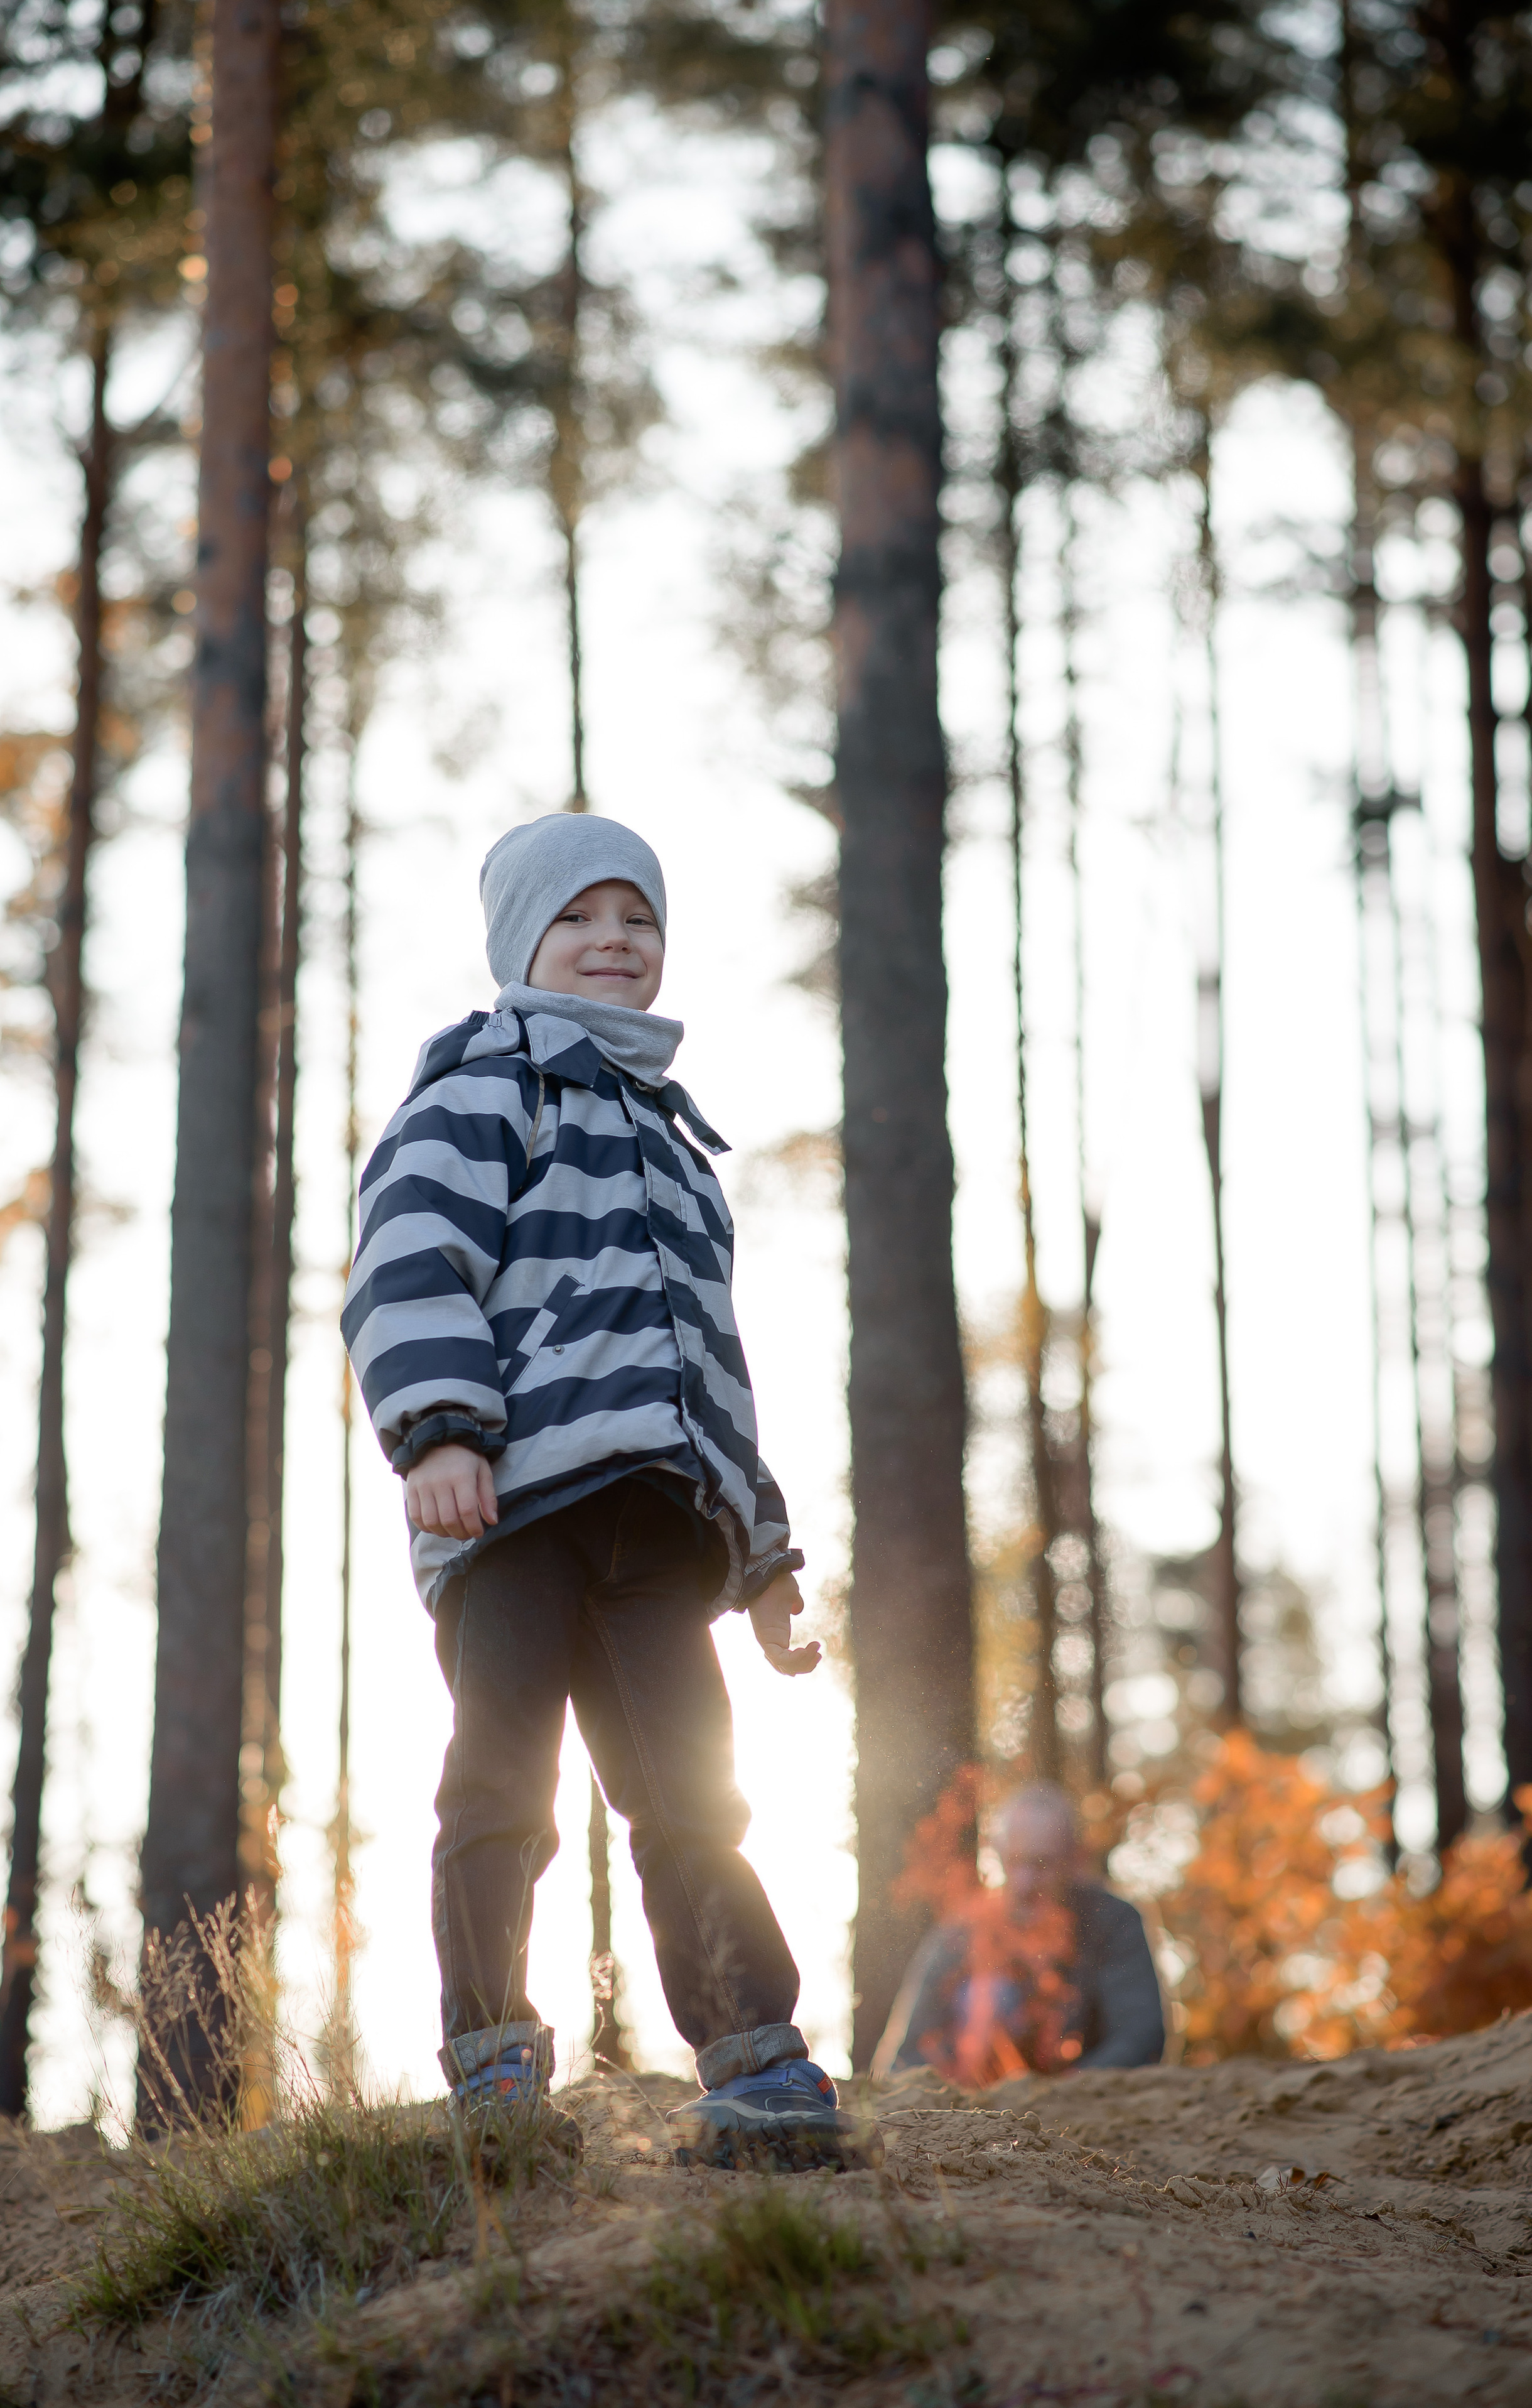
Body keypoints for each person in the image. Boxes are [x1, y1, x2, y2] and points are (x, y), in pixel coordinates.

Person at [342, 813, 849, 2165]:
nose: (612, 941)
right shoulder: (480, 1087)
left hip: (660, 1526)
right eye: (579, 918)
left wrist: (765, 1554)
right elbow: (405, 1266)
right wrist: (440, 1430)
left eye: (637, 920)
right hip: (508, 1508)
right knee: (503, 1782)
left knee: (690, 1791)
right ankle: (492, 2056)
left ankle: (750, 2055)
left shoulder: (679, 1148)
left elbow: (713, 1365)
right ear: (522, 941)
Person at [872, 1784, 1166, 2081]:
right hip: (972, 2113)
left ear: (1074, 1859)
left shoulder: (1112, 1922)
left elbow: (1140, 2036)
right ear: (996, 1853)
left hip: (1079, 2109)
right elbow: (906, 2054)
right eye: (1014, 1862)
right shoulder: (960, 1934)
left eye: (1041, 1865)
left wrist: (1060, 2095)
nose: (1025, 1884)